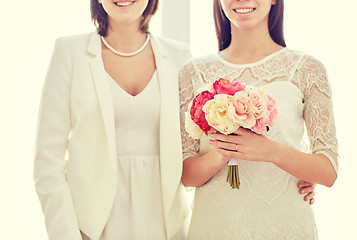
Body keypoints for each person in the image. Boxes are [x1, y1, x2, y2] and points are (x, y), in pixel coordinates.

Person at [33, 0, 194, 239]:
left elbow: (193, 149)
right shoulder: (69, 53)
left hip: (165, 225)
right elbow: (47, 164)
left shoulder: (180, 57)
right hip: (91, 227)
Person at [179, 0, 338, 239]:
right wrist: (222, 152)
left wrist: (268, 150)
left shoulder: (307, 69)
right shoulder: (193, 72)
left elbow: (328, 171)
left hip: (284, 223)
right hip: (214, 225)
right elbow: (186, 175)